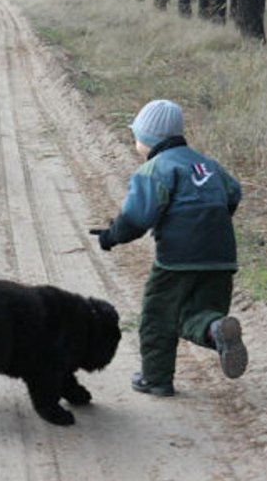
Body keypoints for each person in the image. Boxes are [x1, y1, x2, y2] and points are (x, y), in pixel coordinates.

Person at [90, 98, 248, 396]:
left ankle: (156, 379)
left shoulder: (155, 169)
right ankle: (216, 328)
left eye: (136, 136)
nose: (135, 142)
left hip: (178, 259)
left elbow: (137, 217)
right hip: (221, 256)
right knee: (200, 312)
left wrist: (111, 235)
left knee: (157, 317)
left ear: (149, 139)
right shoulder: (207, 164)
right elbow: (233, 193)